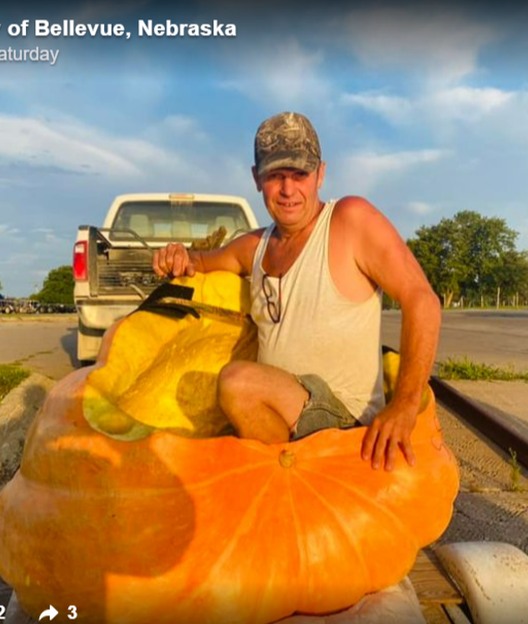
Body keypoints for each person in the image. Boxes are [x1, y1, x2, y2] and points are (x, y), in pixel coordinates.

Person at [152, 112, 441, 472]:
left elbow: (422, 299)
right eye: (275, 176)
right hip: (284, 415)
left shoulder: (349, 220)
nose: (288, 190)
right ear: (257, 179)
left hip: (345, 420)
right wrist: (178, 255)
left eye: (300, 175)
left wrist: (405, 406)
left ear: (321, 174)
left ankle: (289, 483)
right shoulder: (255, 245)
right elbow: (200, 262)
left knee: (238, 382)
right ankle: (283, 487)